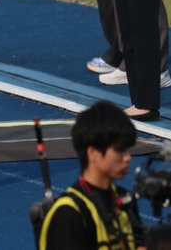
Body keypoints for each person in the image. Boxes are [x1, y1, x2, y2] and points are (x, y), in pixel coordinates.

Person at [39, 100, 144, 250]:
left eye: (128, 150)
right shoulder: (68, 214)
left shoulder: (123, 200)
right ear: (93, 153)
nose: (127, 157)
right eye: (120, 150)